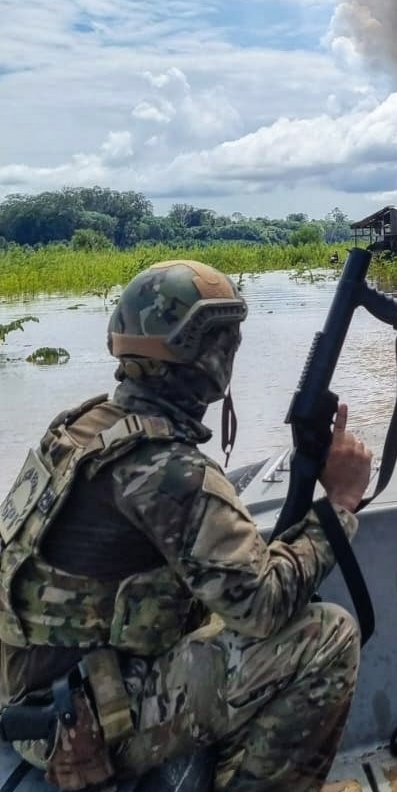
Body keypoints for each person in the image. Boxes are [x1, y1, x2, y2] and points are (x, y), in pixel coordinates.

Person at [0, 259, 374, 791]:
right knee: (325, 635)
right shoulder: (168, 470)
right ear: (208, 356)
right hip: (78, 725)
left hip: (42, 695)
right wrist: (339, 503)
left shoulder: (81, 428)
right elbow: (263, 606)